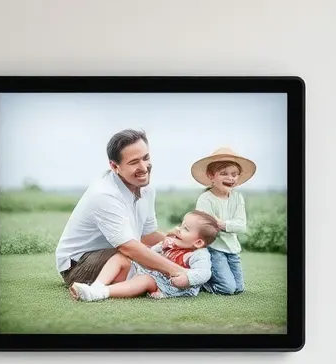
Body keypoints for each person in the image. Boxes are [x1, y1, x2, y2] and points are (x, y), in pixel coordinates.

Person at [55, 129, 185, 290]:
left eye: (146, 158)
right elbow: (128, 247)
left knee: (162, 256)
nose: (144, 167)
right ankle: (100, 290)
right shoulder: (104, 194)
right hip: (79, 264)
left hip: (115, 253)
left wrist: (182, 245)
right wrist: (179, 271)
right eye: (134, 162)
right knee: (135, 260)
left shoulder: (147, 189)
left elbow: (147, 235)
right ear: (114, 166)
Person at [69, 211, 215, 302]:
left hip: (168, 285)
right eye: (181, 225)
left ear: (198, 242)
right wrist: (160, 247)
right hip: (148, 272)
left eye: (186, 229)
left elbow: (204, 273)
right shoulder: (172, 244)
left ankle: (101, 293)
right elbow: (152, 255)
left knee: (145, 280)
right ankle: (97, 286)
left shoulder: (199, 255)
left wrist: (187, 279)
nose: (178, 229)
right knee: (121, 257)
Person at [192, 145, 256, 295]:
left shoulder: (237, 197)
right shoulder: (205, 199)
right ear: (211, 176)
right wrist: (224, 225)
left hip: (232, 249)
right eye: (224, 173)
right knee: (227, 288)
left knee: (239, 288)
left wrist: (221, 224)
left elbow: (241, 226)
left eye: (234, 174)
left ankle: (212, 278)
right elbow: (205, 227)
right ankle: (205, 283)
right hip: (214, 250)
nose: (230, 178)